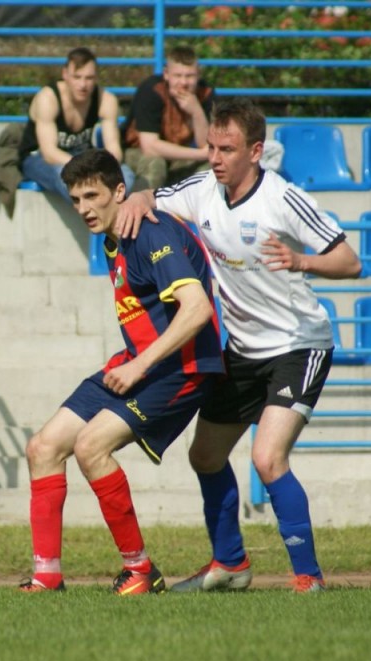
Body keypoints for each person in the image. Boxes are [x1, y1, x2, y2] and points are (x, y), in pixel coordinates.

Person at [115, 98, 361, 593]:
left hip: (298, 346)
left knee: (267, 459)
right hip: (244, 352)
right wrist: (139, 198)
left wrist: (301, 261)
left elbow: (349, 261)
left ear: (255, 151)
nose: (215, 158)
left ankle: (308, 578)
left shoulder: (283, 199)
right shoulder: (203, 189)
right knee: (205, 456)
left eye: (226, 149)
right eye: (210, 147)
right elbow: (153, 197)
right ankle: (230, 565)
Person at [19, 148, 225, 595]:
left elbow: (197, 309)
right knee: (42, 447)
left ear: (118, 191)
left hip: (181, 368)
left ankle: (140, 570)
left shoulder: (150, 233)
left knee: (91, 446)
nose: (83, 208)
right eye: (76, 199)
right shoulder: (114, 237)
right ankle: (46, 576)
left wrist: (139, 365)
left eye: (92, 196)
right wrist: (134, 363)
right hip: (139, 363)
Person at [16, 47, 135, 205]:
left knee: (125, 175)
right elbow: (49, 153)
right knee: (66, 176)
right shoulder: (48, 98)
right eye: (77, 77)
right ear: (65, 74)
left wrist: (102, 168)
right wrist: (87, 169)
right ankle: (100, 217)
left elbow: (114, 150)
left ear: (96, 77)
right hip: (39, 159)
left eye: (89, 78)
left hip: (82, 156)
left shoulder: (106, 100)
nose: (83, 85)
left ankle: (104, 218)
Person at [122, 45, 214, 191]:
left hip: (177, 156)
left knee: (209, 168)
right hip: (136, 152)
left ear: (198, 74)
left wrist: (197, 112)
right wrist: (199, 154)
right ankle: (139, 204)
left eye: (189, 76)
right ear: (166, 74)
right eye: (178, 76)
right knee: (156, 165)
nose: (183, 83)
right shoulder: (152, 90)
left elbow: (206, 144)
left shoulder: (205, 93)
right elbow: (149, 147)